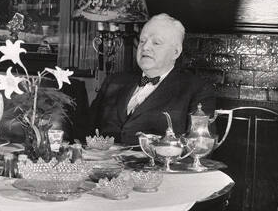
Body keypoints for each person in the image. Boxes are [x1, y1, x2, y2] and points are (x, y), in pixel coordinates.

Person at [89, 13, 216, 144]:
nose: (145, 47)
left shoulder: (197, 90)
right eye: (142, 41)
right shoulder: (113, 82)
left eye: (156, 43)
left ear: (176, 52)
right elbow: (85, 131)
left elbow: (200, 147)